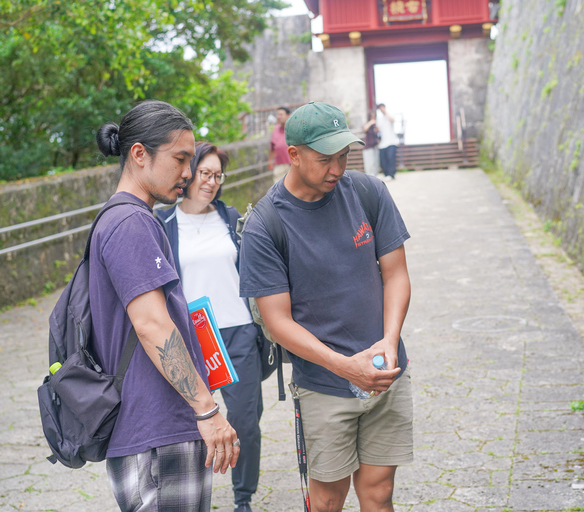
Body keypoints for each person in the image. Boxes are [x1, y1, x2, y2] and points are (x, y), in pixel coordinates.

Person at [239, 101, 413, 512]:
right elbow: (277, 321)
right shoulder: (265, 225)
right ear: (293, 154)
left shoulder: (367, 191)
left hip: (385, 368)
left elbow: (397, 274)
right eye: (324, 159)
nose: (336, 168)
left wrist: (389, 340)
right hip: (323, 383)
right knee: (327, 500)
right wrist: (344, 366)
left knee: (379, 492)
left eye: (343, 156)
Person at [93, 100, 239, 512]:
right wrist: (207, 411)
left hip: (156, 428)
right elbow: (152, 325)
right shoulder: (131, 223)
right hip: (157, 430)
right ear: (139, 154)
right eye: (180, 159)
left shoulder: (130, 218)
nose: (189, 173)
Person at [156, 142, 263, 512]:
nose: (212, 182)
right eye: (206, 173)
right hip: (192, 338)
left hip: (238, 333)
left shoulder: (232, 218)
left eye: (218, 175)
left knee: (246, 421)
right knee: (192, 421)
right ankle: (188, 495)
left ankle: (243, 497)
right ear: (189, 174)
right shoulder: (163, 222)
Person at [376, 103, 399, 181]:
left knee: (391, 158)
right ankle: (386, 174)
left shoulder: (390, 115)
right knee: (383, 160)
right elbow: (378, 130)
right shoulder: (379, 119)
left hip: (391, 141)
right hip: (382, 143)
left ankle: (391, 174)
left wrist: (385, 112)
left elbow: (392, 120)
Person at [268, 106, 291, 182]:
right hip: (279, 165)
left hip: (292, 164)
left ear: (288, 115)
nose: (278, 117)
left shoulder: (292, 128)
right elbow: (272, 147)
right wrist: (270, 161)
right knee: (277, 188)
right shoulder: (275, 129)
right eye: (278, 114)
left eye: (281, 114)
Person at [362, 110, 380, 176]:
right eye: (371, 116)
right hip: (367, 147)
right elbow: (364, 129)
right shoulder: (368, 124)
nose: (373, 117)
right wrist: (371, 122)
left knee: (375, 163)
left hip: (374, 146)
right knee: (369, 164)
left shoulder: (375, 126)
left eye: (374, 116)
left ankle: (375, 177)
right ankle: (370, 177)